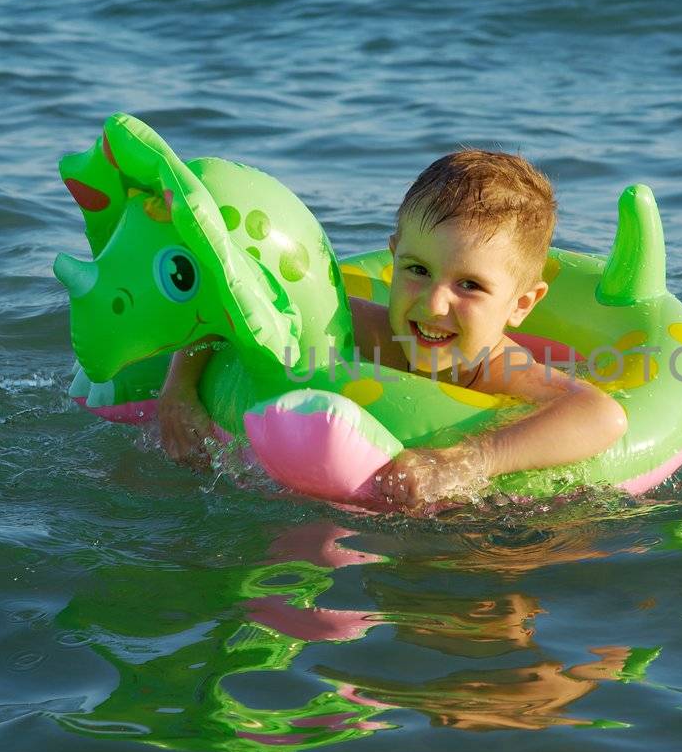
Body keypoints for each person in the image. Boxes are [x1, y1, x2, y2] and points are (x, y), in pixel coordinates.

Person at [157, 149, 628, 510]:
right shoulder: (366, 329)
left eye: (469, 285)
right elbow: (231, 308)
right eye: (417, 270)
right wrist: (179, 391)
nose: (434, 302)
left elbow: (601, 415)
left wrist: (469, 460)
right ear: (393, 256)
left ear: (521, 305)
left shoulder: (499, 370)